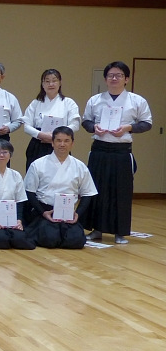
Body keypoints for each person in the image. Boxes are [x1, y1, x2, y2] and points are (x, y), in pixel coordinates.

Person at [82, 61, 152, 244]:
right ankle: (96, 229)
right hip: (99, 150)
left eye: (119, 75)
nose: (114, 78)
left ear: (126, 79)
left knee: (121, 191)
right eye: (110, 75)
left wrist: (128, 127)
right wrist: (94, 127)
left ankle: (119, 231)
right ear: (105, 79)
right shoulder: (95, 100)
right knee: (96, 190)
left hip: (121, 151)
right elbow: (86, 122)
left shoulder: (136, 101)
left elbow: (146, 123)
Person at [24, 127, 97, 249]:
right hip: (45, 211)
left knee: (76, 240)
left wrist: (77, 214)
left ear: (72, 143)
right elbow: (29, 192)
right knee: (50, 238)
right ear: (52, 143)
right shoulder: (38, 164)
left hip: (68, 213)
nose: (62, 144)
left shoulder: (80, 166)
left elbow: (88, 193)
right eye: (58, 140)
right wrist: (43, 213)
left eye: (66, 141)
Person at [22, 69, 80, 171]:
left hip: (60, 144)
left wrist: (58, 136)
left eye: (54, 80)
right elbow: (26, 126)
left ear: (60, 83)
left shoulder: (68, 103)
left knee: (62, 174)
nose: (51, 84)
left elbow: (75, 125)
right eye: (47, 81)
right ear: (42, 84)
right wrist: (40, 135)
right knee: (36, 174)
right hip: (39, 143)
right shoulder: (35, 103)